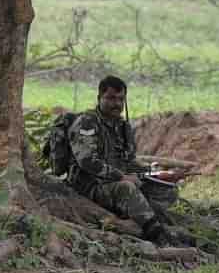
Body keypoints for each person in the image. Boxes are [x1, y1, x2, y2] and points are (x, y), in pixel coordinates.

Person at [67, 76, 179, 244]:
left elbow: (129, 161)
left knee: (167, 189)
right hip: (90, 186)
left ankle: (141, 217)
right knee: (127, 188)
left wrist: (156, 172)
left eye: (121, 99)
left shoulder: (122, 126)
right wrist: (121, 177)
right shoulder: (87, 123)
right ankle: (159, 237)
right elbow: (87, 161)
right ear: (99, 98)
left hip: (115, 183)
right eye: (111, 98)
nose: (117, 104)